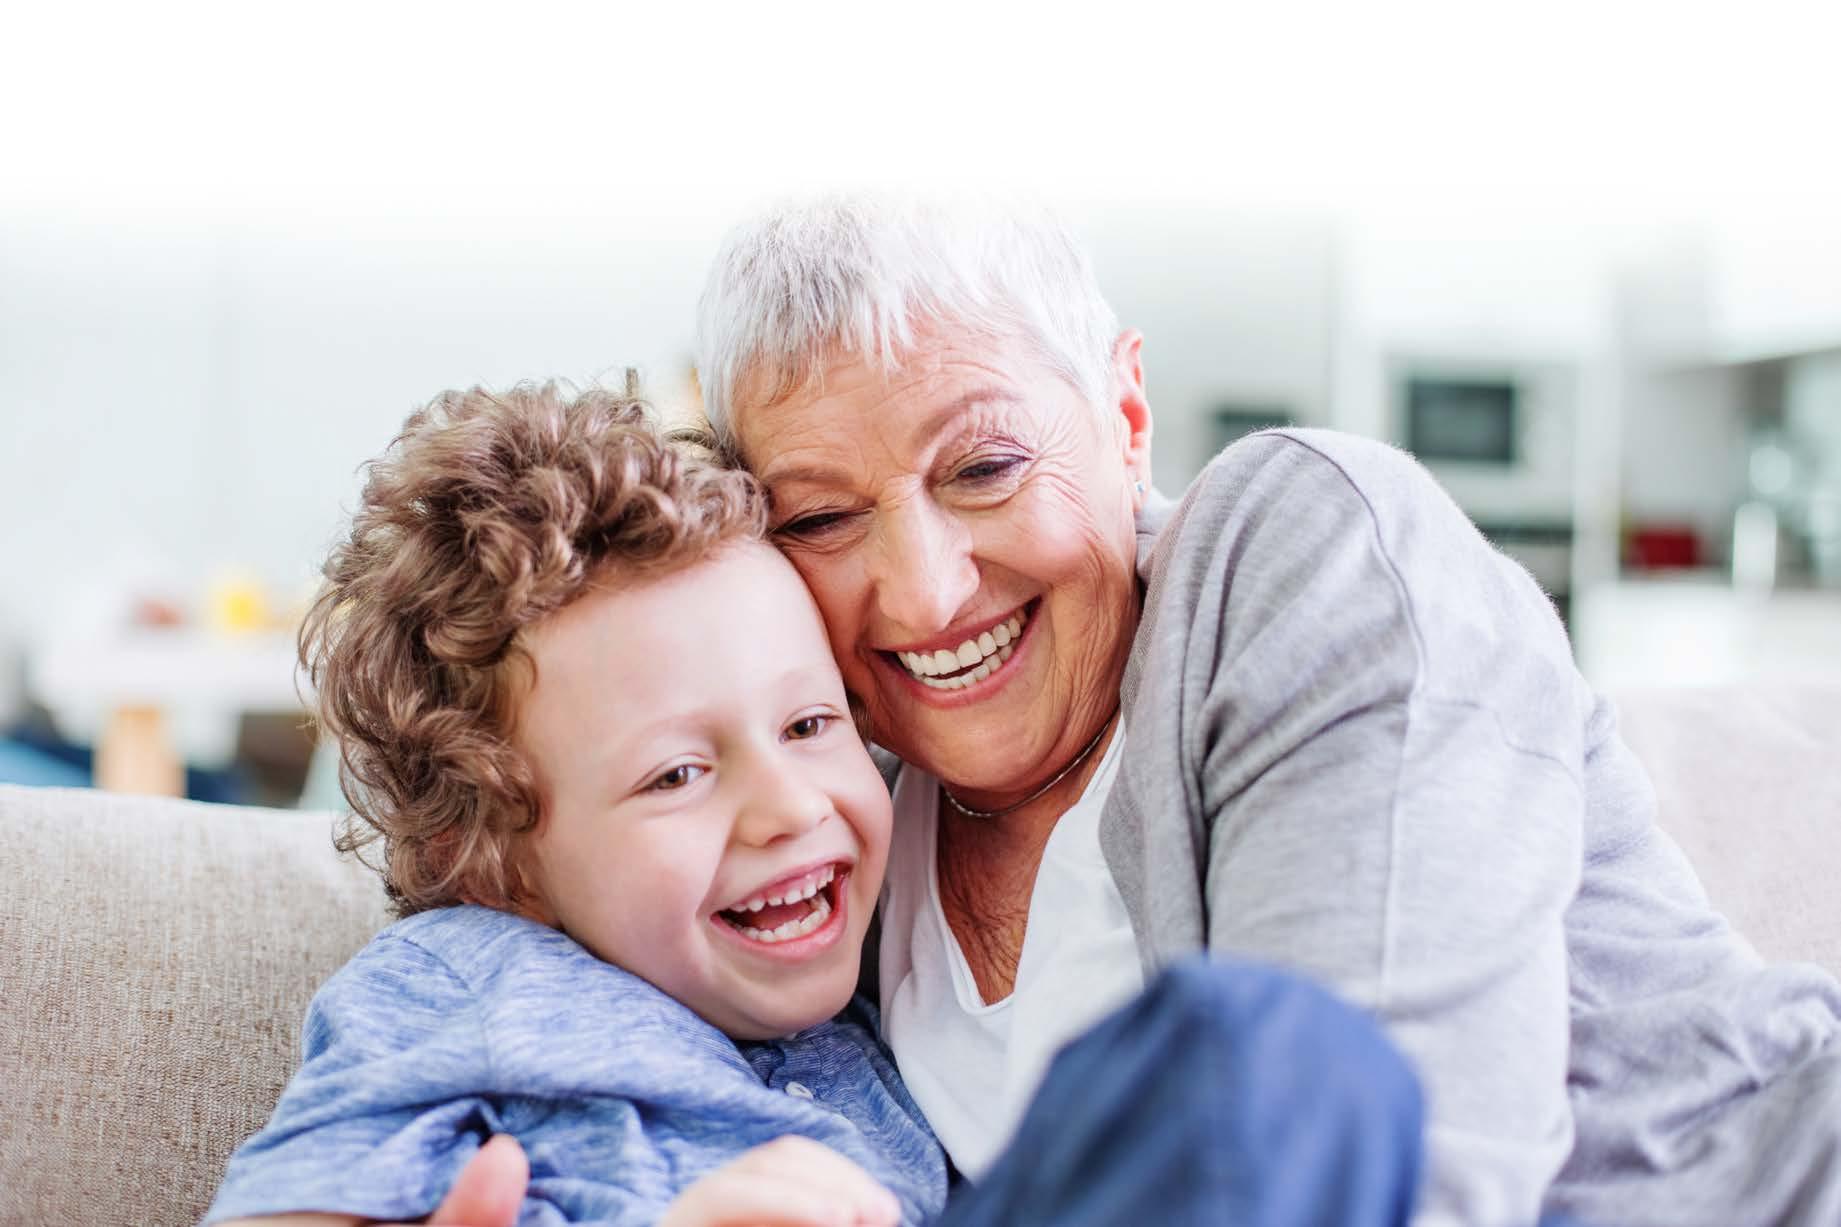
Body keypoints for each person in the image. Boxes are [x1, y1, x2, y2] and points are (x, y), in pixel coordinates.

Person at [685, 194, 1841, 1227]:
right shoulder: (840, 830)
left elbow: (1385, 1168)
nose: (924, 592)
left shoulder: (1305, 542)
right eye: (820, 520)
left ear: (1125, 415)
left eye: (983, 468)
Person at [204, 383, 1434, 1227]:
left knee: (1280, 1061)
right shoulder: (463, 979)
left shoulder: (878, 1000)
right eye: (676, 775)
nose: (788, 808)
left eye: (810, 726)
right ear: (491, 860)